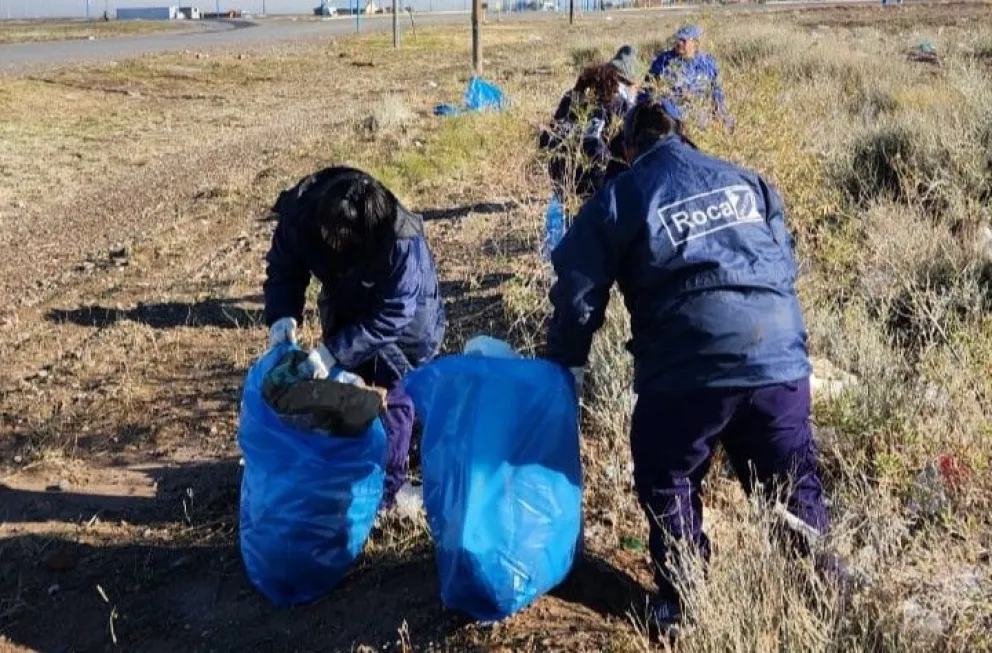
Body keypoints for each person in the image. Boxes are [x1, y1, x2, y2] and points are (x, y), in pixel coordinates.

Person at [543, 96, 830, 637]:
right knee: (792, 483)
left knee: (668, 474)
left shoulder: (623, 195)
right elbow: (784, 265)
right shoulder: (748, 180)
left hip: (687, 372)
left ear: (629, 147)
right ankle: (821, 595)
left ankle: (687, 606)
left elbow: (579, 290)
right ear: (685, 135)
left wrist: (567, 366)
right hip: (779, 362)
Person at [263, 166, 445, 505]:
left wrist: (334, 351)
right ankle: (347, 465)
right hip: (345, 295)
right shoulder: (302, 213)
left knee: (396, 392)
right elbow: (284, 267)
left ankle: (386, 492)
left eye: (346, 241)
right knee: (343, 387)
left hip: (405, 319)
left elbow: (395, 312)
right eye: (331, 238)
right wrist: (282, 317)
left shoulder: (400, 239)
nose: (336, 244)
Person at [539, 45, 643, 201]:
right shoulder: (619, 105)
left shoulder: (573, 94)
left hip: (560, 178)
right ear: (629, 83)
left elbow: (547, 138)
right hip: (594, 184)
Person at [646, 25, 733, 129]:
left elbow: (718, 92)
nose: (679, 43)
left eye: (684, 41)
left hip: (699, 114)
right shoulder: (663, 60)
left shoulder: (707, 63)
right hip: (670, 115)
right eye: (678, 40)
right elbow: (648, 85)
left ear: (695, 43)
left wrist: (724, 119)